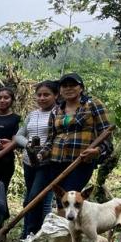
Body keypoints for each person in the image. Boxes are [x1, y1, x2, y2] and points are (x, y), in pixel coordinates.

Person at [39, 73, 112, 202]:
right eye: (64, 86)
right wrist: (40, 154)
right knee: (61, 200)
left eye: (73, 85)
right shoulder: (56, 111)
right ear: (60, 90)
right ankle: (63, 222)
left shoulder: (92, 104)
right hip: (56, 161)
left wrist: (97, 151)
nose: (68, 88)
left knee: (71, 197)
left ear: (81, 88)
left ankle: (71, 222)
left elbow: (106, 133)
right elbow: (51, 139)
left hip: (80, 162)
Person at [15, 80, 59, 238]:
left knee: (35, 198)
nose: (42, 98)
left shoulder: (59, 113)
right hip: (29, 161)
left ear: (56, 95)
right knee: (29, 197)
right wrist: (28, 144)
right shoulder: (32, 114)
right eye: (39, 95)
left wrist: (41, 151)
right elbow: (18, 136)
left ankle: (31, 233)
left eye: (46, 94)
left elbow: (57, 138)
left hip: (46, 163)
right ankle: (27, 232)